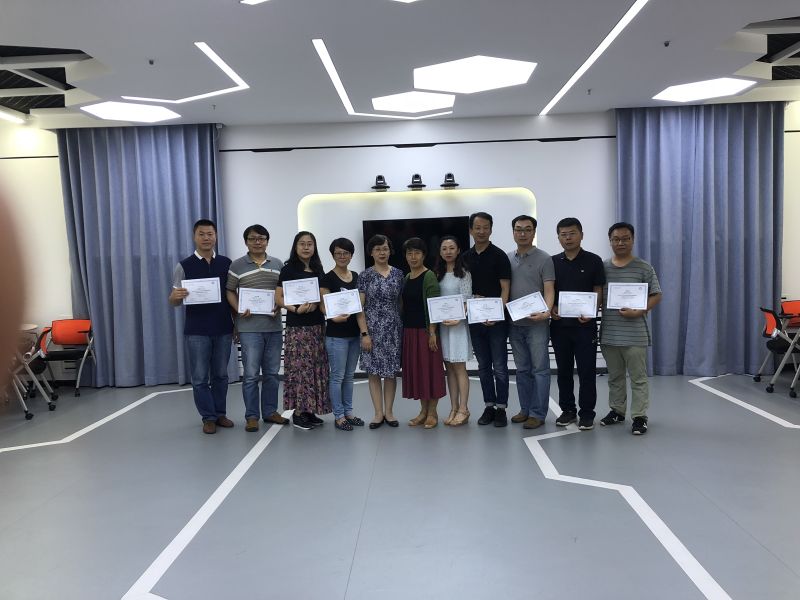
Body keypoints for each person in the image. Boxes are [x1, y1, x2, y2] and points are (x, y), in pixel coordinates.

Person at [169, 219, 234, 434]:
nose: (206, 238)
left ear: (216, 236)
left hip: (223, 328)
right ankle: (208, 417)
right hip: (197, 330)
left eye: (210, 234)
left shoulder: (226, 263)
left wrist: (237, 324)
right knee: (199, 377)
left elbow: (232, 295)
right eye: (202, 234)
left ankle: (220, 413)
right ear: (194, 237)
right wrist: (176, 296)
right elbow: (174, 301)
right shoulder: (183, 265)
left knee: (221, 375)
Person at [599, 222, 662, 435]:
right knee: (615, 377)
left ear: (632, 240)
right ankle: (617, 411)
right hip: (609, 334)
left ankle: (639, 416)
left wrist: (640, 311)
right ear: (610, 241)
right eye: (616, 239)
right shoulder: (603, 268)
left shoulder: (644, 267)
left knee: (638, 378)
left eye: (625, 238)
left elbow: (657, 295)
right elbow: (597, 296)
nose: (621, 243)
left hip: (635, 334)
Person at [226, 224, 288, 433]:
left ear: (267, 241)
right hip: (248, 328)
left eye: (261, 238)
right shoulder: (237, 265)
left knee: (271, 373)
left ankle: (270, 412)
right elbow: (229, 291)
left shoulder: (278, 264)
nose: (257, 242)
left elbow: (282, 292)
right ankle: (252, 416)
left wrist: (280, 305)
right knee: (251, 374)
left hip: (274, 327)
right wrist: (238, 308)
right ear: (246, 242)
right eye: (252, 238)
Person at [550, 217, 606, 430]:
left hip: (585, 327)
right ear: (558, 238)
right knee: (563, 371)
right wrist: (552, 308)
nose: (568, 238)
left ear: (581, 235)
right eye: (563, 234)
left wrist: (592, 312)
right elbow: (548, 291)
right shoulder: (552, 262)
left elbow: (598, 290)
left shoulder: (594, 260)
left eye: (572, 233)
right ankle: (568, 410)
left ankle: (587, 413)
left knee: (586, 371)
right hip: (559, 327)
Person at [276, 231, 331, 430]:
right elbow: (279, 297)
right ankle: (298, 413)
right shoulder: (288, 269)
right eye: (302, 243)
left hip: (317, 326)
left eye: (310, 244)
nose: (306, 247)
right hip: (297, 327)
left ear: (314, 247)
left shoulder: (318, 269)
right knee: (300, 369)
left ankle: (309, 411)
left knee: (315, 368)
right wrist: (295, 309)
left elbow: (322, 295)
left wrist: (318, 303)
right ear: (295, 246)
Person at [462, 212, 512, 427]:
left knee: (499, 366)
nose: (481, 231)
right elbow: (464, 289)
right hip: (475, 320)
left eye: (485, 227)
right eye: (477, 227)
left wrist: (496, 314)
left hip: (497, 321)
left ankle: (501, 408)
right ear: (471, 230)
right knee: (483, 366)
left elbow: (505, 289)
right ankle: (489, 405)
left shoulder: (500, 256)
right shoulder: (465, 257)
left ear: (491, 229)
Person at [507, 215, 555, 429]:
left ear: (534, 232)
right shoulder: (507, 258)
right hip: (515, 324)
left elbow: (549, 289)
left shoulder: (545, 258)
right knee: (522, 370)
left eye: (527, 229)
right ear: (513, 232)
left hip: (537, 324)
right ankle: (525, 409)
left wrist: (546, 312)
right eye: (518, 229)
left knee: (540, 370)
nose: (523, 233)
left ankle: (537, 413)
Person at [357, 234, 403, 429]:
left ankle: (389, 412)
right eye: (377, 249)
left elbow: (401, 303)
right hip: (372, 330)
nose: (382, 252)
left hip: (393, 330)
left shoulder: (399, 274)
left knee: (391, 373)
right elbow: (359, 307)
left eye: (385, 248)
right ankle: (378, 413)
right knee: (374, 373)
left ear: (390, 251)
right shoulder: (365, 276)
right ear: (371, 253)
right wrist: (364, 334)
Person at [320, 238, 365, 431]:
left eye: (346, 253)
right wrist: (332, 316)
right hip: (336, 335)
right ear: (333, 255)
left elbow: (360, 306)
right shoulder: (327, 278)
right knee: (337, 376)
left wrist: (363, 332)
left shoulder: (355, 276)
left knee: (349, 376)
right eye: (338, 253)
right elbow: (323, 305)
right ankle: (338, 416)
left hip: (354, 334)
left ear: (351, 255)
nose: (342, 256)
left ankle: (349, 412)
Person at [401, 238, 446, 428]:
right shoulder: (406, 277)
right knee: (418, 373)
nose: (413, 257)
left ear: (424, 255)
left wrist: (432, 332)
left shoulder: (429, 276)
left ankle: (433, 413)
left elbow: (434, 307)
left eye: (417, 253)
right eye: (409, 253)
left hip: (426, 332)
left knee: (431, 372)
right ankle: (423, 412)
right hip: (410, 332)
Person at [433, 235, 472, 426]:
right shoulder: (436, 273)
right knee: (448, 368)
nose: (448, 252)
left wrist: (458, 318)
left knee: (459, 367)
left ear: (458, 250)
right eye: (444, 248)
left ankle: (464, 409)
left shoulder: (464, 273)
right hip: (443, 327)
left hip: (458, 327)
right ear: (440, 252)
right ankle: (453, 408)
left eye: (451, 248)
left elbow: (467, 300)